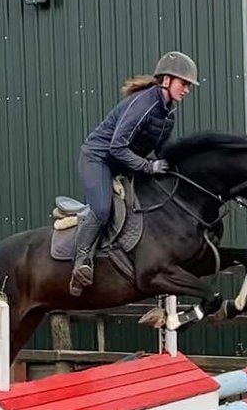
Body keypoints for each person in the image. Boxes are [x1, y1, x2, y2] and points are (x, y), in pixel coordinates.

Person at [69, 50, 199, 295]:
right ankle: (81, 262)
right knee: (102, 208)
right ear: (167, 80)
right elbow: (117, 146)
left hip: (125, 162)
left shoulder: (169, 111)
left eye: (189, 85)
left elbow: (162, 150)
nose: (187, 89)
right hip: (98, 158)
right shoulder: (144, 104)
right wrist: (148, 166)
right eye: (184, 83)